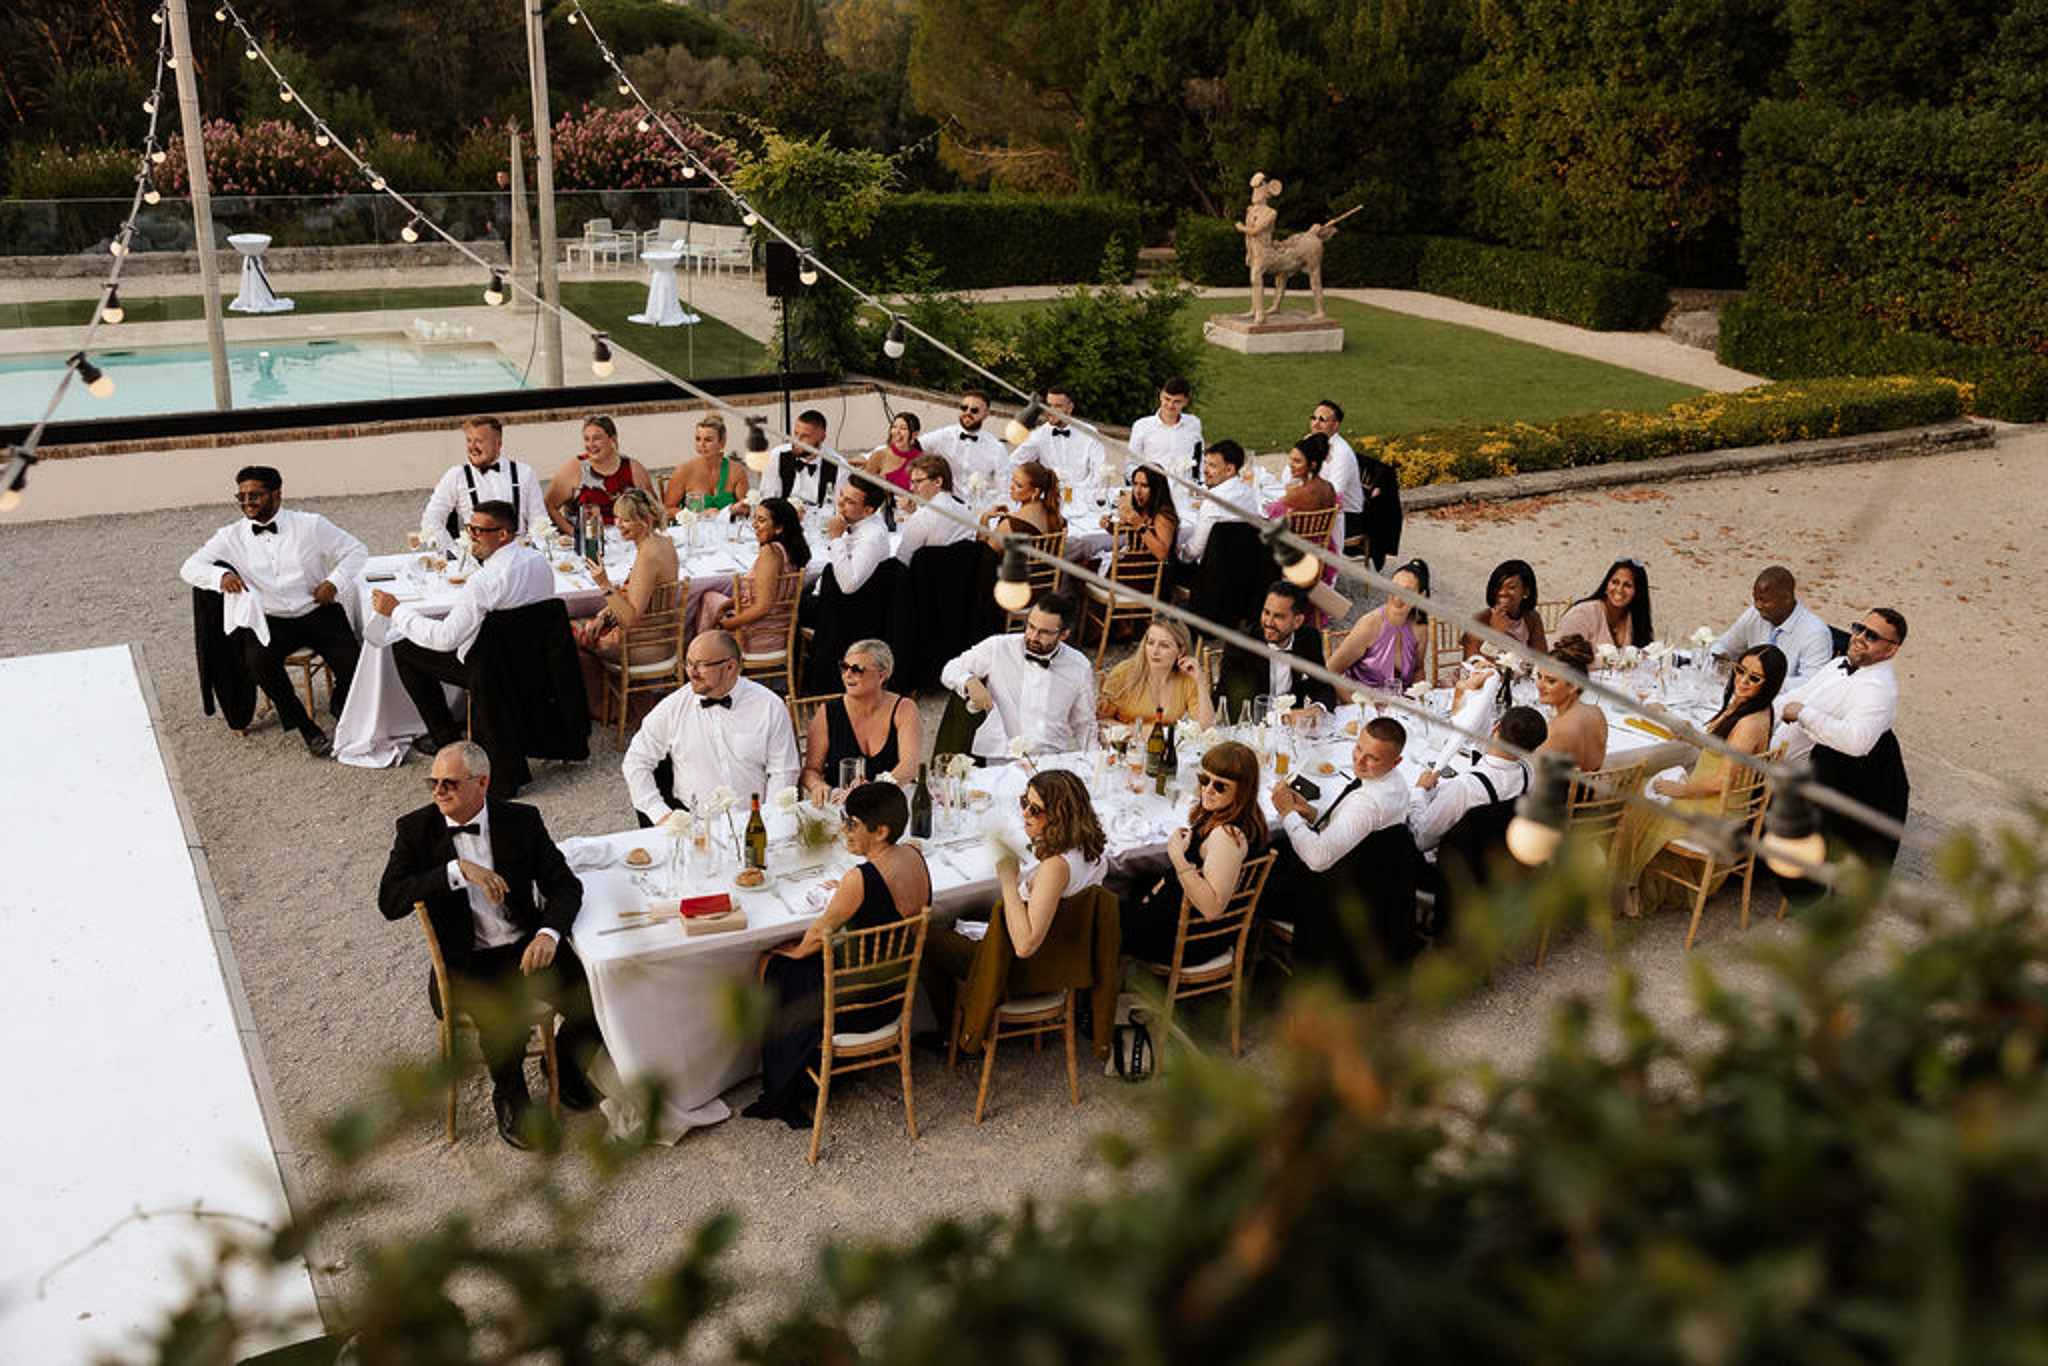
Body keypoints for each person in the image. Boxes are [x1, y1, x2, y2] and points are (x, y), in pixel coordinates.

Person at [376, 741, 600, 1149]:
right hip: (467, 962)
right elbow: (389, 902)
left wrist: (548, 934)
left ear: (482, 783)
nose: (438, 791)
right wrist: (455, 870)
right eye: (433, 782)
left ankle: (563, 1064)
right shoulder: (415, 831)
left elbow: (565, 886)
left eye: (450, 783)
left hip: (525, 946)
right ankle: (510, 1096)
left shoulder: (522, 821)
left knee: (596, 997)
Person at [744, 781, 931, 1128]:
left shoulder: (860, 878)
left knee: (772, 964)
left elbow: (817, 934)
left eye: (852, 823)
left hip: (854, 1007)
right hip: (895, 993)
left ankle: (786, 1085)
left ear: (881, 831)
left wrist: (795, 951)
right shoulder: (915, 856)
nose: (844, 829)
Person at [180, 464, 366, 755]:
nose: (247, 503)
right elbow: (189, 567)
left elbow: (356, 550)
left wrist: (334, 582)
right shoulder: (230, 536)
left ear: (277, 495)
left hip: (316, 610)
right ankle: (307, 728)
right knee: (259, 665)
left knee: (355, 662)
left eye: (254, 495)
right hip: (271, 620)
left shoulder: (311, 525)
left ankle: (340, 701)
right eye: (241, 497)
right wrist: (219, 577)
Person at [921, 769, 1108, 1035]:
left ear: (1060, 815)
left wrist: (1008, 880)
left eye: (1035, 810)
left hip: (1019, 968)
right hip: (1063, 957)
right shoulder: (1092, 851)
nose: (1025, 814)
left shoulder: (1056, 868)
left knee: (920, 933)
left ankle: (956, 1027)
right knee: (961, 914)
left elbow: (1024, 944)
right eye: (1024, 803)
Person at [369, 499, 553, 755]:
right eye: (469, 528)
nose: (471, 536)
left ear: (502, 535)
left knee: (404, 648)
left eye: (478, 531)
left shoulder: (485, 581)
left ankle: (445, 739)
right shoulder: (539, 561)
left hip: (492, 671)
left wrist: (396, 610)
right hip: (536, 660)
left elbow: (446, 639)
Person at [1613, 644, 1786, 917]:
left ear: (1769, 684)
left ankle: (1632, 889)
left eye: (1754, 678)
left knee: (1636, 796)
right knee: (1642, 781)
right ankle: (1622, 879)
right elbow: (1716, 745)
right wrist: (1680, 727)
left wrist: (1680, 790)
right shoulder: (1748, 707)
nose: (1742, 680)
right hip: (1716, 801)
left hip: (1715, 810)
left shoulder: (1750, 723)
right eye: (1741, 670)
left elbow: (1722, 782)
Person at [1773, 608, 1909, 869]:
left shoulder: (1878, 690)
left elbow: (1857, 742)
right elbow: (1797, 696)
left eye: (1872, 636)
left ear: (1890, 650)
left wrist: (1804, 714)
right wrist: (1758, 709)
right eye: (1859, 628)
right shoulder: (1838, 664)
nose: (1859, 637)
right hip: (1771, 755)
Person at [622, 629, 801, 823]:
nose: (691, 672)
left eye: (701, 665)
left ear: (730, 667)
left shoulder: (769, 706)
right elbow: (636, 760)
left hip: (755, 819)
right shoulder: (672, 708)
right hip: (696, 825)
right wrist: (659, 813)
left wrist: (768, 820)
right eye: (688, 663)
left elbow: (783, 772)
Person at [1121, 740, 1266, 962]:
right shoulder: (1236, 816)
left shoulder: (1226, 837)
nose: (1208, 789)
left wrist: (1178, 857)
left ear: (1242, 790)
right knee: (1122, 891)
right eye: (1204, 780)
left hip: (1187, 940)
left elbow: (1212, 908)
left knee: (1100, 913)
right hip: (1177, 917)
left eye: (1220, 786)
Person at [940, 590, 1097, 760]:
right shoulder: (999, 647)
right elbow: (951, 669)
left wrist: (1097, 761)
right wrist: (969, 681)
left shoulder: (1079, 666)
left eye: (1044, 632)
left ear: (1064, 635)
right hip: (1003, 758)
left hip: (1051, 759)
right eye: (1030, 626)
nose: (1033, 636)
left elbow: (1084, 724)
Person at [573, 488, 679, 715]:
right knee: (586, 626)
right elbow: (635, 596)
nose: (619, 524)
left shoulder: (647, 557)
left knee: (564, 630)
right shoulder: (665, 543)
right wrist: (604, 615)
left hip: (640, 645)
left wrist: (604, 583)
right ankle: (611, 702)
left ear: (646, 520)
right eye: (618, 517)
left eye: (627, 520)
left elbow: (630, 619)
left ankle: (602, 709)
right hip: (660, 637)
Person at [1270, 717, 1412, 870]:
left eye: (1372, 758)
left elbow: (1317, 858)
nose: (1359, 761)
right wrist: (1310, 812)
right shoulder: (1394, 778)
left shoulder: (1367, 804)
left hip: (1342, 879)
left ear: (1396, 762)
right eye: (1359, 748)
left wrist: (1288, 813)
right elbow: (1347, 823)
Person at [1410, 705, 1548, 859]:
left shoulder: (1464, 787)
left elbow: (1422, 840)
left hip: (1458, 869)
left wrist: (1419, 792)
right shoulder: (1531, 773)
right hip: (1501, 859)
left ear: (1496, 728)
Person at [801, 639, 925, 802]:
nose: (847, 674)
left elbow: (910, 766)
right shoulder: (827, 713)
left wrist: (875, 790)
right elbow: (811, 770)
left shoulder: (904, 709)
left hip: (888, 800)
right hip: (841, 803)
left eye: (857, 669)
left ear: (881, 676)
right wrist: (817, 785)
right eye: (844, 667)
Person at [695, 496, 811, 645]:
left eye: (761, 520)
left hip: (757, 635)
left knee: (708, 600)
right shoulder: (791, 550)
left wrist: (728, 624)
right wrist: (730, 603)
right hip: (779, 629)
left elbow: (763, 607)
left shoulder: (770, 553)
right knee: (712, 599)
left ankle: (706, 655)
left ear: (779, 527)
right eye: (754, 518)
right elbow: (769, 593)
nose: (754, 525)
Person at [421, 415, 546, 551]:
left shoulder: (525, 473)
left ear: (498, 444)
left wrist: (531, 552)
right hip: (477, 560)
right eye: (469, 441)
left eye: (479, 441)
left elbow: (539, 521)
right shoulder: (456, 475)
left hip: (519, 555)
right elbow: (431, 520)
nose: (472, 447)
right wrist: (455, 552)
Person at [1220, 581, 1339, 716]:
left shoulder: (1309, 639)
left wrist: (1317, 709)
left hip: (1292, 731)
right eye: (1266, 612)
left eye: (1278, 616)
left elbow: (1323, 687)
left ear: (1298, 621)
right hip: (1253, 728)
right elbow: (1227, 704)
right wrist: (1279, 719)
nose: (1269, 622)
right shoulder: (1240, 645)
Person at [1711, 565, 1834, 683]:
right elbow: (1724, 644)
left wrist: (1762, 684)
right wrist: (1720, 658)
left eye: (1765, 600)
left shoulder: (1815, 633)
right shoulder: (1754, 615)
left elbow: (1810, 683)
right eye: (1755, 599)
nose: (1757, 606)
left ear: (1787, 598)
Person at [1329, 559, 1430, 695]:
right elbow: (1330, 672)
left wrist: (1419, 700)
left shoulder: (1419, 627)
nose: (1397, 598)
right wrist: (1355, 704)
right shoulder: (1369, 625)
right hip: (1361, 708)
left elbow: (1418, 670)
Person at [1096, 617, 1216, 729]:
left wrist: (1200, 680)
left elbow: (1206, 727)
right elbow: (1100, 720)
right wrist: (1136, 732)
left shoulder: (1186, 678)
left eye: (1164, 645)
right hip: (1124, 746)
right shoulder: (1124, 672)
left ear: (1181, 650)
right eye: (1151, 643)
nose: (1155, 651)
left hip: (1165, 748)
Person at [545, 414, 655, 533]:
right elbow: (549, 506)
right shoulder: (574, 469)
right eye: (586, 439)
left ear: (612, 439)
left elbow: (654, 508)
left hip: (627, 539)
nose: (591, 445)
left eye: (597, 438)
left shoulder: (633, 468)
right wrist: (574, 534)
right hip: (589, 541)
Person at [1533, 634, 1607, 772]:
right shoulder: (1598, 713)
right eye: (1539, 677)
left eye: (1550, 680)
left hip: (1559, 793)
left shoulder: (1555, 731)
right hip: (1592, 791)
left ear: (1573, 686)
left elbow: (1533, 773)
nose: (1539, 685)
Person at [1012, 384, 1104, 490]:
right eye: (1049, 405)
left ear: (1070, 408)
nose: (1051, 411)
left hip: (1082, 496)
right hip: (1049, 497)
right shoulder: (1040, 434)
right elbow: (1014, 463)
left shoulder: (1089, 433)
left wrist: (1077, 490)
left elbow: (1099, 473)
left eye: (1057, 406)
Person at [1460, 559, 1548, 664]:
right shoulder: (1480, 620)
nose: (1502, 593)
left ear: (1526, 591)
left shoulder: (1531, 618)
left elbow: (1541, 658)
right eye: (1498, 587)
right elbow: (1471, 664)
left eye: (1511, 587)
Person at [1555, 558, 1654, 650]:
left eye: (1627, 585)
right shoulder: (1582, 613)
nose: (1619, 590)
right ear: (1607, 584)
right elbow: (1560, 656)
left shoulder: (1636, 619)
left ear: (1638, 591)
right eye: (1615, 582)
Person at [1309, 399, 1365, 557]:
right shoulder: (1313, 443)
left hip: (1346, 519)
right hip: (1323, 508)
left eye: (1322, 420)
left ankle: (1306, 574)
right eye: (1313, 418)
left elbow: (1333, 495)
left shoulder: (1341, 454)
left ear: (1335, 425)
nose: (1315, 424)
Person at [894, 454, 975, 563]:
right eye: (911, 482)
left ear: (938, 482)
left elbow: (903, 560)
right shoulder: (966, 512)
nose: (911, 488)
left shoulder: (922, 517)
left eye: (917, 482)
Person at [662, 414, 749, 514]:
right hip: (694, 528)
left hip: (728, 528)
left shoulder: (736, 471)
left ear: (722, 442)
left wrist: (740, 508)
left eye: (708, 440)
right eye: (698, 439)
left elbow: (746, 508)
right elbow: (667, 510)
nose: (701, 445)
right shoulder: (683, 471)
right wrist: (698, 515)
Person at [1184, 439, 1254, 562]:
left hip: (1212, 574)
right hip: (1246, 568)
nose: (1205, 471)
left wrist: (1180, 554)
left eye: (1212, 466)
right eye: (1205, 463)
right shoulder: (1249, 494)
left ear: (1229, 470)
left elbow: (1194, 551)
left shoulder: (1213, 502)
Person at [822, 475, 891, 597]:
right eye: (841, 494)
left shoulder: (871, 537)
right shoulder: (857, 521)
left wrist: (836, 538)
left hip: (841, 606)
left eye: (849, 501)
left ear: (867, 511)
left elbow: (848, 585)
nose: (839, 502)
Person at [1127, 377, 1205, 484]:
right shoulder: (1141, 426)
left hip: (1185, 490)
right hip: (1154, 490)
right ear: (1161, 396)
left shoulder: (1194, 424)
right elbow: (1130, 465)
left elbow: (1200, 461)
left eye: (1176, 401)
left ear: (1185, 402)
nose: (1170, 405)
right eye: (1167, 399)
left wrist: (1201, 486)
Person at [921, 389, 1003, 488]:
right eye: (964, 408)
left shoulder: (996, 447)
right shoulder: (943, 435)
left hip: (976, 502)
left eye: (974, 410)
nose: (968, 413)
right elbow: (913, 447)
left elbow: (1005, 484)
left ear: (985, 414)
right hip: (944, 500)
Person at [761, 409, 840, 508]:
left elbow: (839, 508)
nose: (797, 440)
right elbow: (768, 499)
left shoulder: (838, 464)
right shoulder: (776, 456)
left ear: (822, 438)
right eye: (796, 433)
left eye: (805, 436)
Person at [1105, 462, 1180, 564]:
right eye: (1135, 484)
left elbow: (1162, 554)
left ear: (1156, 489)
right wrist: (1108, 525)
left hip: (1155, 574)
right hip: (1136, 566)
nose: (1137, 491)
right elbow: (1120, 530)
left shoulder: (1163, 516)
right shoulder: (1140, 509)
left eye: (1144, 486)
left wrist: (1139, 524)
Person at [980, 460, 1064, 538]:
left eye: (1019, 485)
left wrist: (985, 518)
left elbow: (982, 552)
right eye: (1013, 480)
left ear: (1035, 492)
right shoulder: (1054, 514)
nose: (1011, 487)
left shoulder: (1011, 525)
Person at [1266, 432, 1338, 516]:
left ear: (1312, 465)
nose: (1291, 465)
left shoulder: (1297, 494)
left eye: (1297, 461)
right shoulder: (1329, 488)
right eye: (1291, 459)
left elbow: (1271, 515)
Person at [863, 411, 923, 493]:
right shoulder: (879, 455)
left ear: (915, 434)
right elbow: (864, 488)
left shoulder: (921, 460)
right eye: (894, 427)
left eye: (903, 428)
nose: (896, 432)